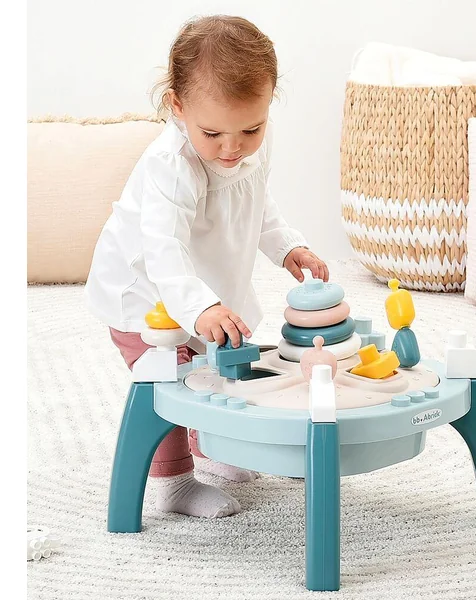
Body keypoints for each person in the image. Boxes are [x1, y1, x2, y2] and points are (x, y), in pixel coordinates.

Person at [84, 15, 329, 519]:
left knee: (215, 368)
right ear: (178, 106)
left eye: (251, 128)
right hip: (146, 295)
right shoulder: (171, 165)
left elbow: (256, 202)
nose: (232, 147)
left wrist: (287, 246)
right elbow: (163, 247)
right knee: (170, 380)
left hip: (203, 282)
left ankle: (211, 448)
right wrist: (198, 308)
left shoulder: (244, 146)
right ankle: (174, 482)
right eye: (213, 132)